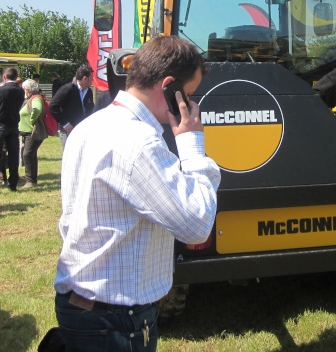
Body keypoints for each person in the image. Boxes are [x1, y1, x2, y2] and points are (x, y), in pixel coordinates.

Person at [54, 36, 220, 351]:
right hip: (114, 319)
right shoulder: (138, 141)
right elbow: (197, 225)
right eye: (189, 94)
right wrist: (192, 143)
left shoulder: (90, 125)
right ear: (170, 86)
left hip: (85, 303)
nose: (190, 104)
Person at [0, 67, 25, 194]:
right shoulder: (20, 91)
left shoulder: (0, 90)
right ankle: (13, 184)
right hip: (13, 124)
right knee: (13, 155)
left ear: (4, 77)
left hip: (0, 123)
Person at [49, 65, 95, 149]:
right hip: (67, 130)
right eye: (91, 77)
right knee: (69, 153)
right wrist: (65, 123)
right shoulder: (67, 89)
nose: (93, 80)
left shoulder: (89, 92)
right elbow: (52, 106)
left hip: (82, 129)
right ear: (85, 78)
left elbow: (90, 109)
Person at [18, 78, 45, 189]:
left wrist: (32, 120)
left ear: (28, 89)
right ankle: (32, 180)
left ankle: (30, 181)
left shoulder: (36, 99)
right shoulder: (30, 98)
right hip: (27, 132)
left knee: (27, 155)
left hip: (32, 132)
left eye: (24, 89)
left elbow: (37, 109)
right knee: (31, 155)